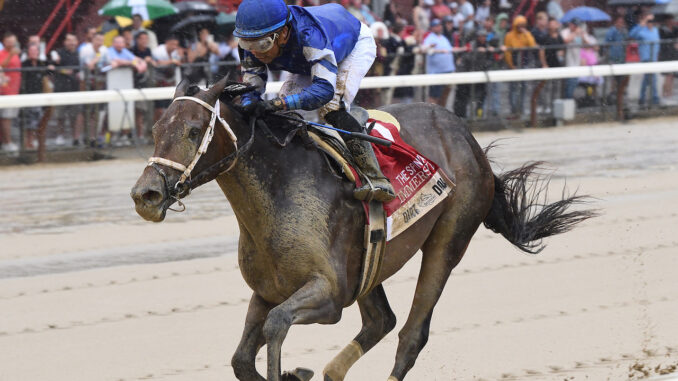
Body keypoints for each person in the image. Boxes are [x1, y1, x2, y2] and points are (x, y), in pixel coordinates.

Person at [235, 0, 395, 201]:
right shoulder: (254, 40)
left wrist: (277, 103)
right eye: (246, 44)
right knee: (281, 115)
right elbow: (252, 88)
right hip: (304, 59)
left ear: (284, 33)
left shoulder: (310, 35)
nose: (254, 52)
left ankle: (376, 178)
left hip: (351, 45)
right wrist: (249, 105)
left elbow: (324, 90)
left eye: (261, 44)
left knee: (331, 108)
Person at [51, 33, 83, 146]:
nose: (71, 42)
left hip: (75, 88)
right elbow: (52, 68)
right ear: (65, 42)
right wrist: (63, 70)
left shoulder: (79, 54)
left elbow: (81, 70)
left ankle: (76, 138)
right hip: (61, 88)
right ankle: (61, 135)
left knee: (76, 114)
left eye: (73, 40)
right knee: (60, 115)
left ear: (77, 42)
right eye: (68, 40)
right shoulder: (58, 53)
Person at [20, 44, 53, 149]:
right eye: (31, 51)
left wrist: (51, 67)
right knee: (28, 122)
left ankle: (33, 141)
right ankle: (27, 141)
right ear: (28, 53)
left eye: (35, 51)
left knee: (37, 121)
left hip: (39, 95)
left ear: (38, 52)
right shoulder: (24, 64)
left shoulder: (41, 63)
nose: (33, 53)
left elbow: (50, 70)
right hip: (27, 96)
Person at [504, 15, 538, 115]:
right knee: (513, 88)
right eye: (519, 25)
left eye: (523, 25)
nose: (521, 27)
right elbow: (508, 53)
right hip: (514, 65)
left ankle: (521, 108)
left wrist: (526, 33)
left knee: (523, 88)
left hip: (524, 64)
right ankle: (514, 109)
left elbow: (532, 45)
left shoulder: (526, 34)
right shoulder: (509, 35)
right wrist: (511, 65)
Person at [79, 32, 108, 147]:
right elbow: (88, 66)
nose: (100, 43)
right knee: (85, 111)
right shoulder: (85, 50)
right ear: (93, 40)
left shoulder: (105, 50)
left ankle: (93, 137)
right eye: (98, 40)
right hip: (85, 84)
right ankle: (82, 137)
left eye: (102, 40)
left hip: (99, 84)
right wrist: (97, 58)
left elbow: (110, 63)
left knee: (97, 112)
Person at [422, 18, 455, 106]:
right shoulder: (430, 38)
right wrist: (431, 47)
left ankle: (441, 115)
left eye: (439, 25)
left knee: (445, 94)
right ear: (432, 28)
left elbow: (449, 50)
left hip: (448, 70)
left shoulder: (444, 38)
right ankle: (432, 117)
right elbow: (423, 49)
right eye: (436, 26)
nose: (439, 27)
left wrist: (464, 49)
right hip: (436, 72)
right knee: (434, 96)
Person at [630, 14, 661, 106]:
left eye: (652, 21)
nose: (650, 23)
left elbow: (657, 44)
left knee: (648, 79)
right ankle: (654, 98)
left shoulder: (655, 30)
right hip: (646, 58)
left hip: (654, 57)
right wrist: (641, 24)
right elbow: (632, 35)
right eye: (649, 21)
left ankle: (642, 98)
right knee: (652, 79)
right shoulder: (642, 30)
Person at [152, 35, 183, 122]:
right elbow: (157, 63)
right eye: (173, 44)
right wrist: (171, 61)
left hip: (170, 83)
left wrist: (181, 56)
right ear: (167, 43)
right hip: (158, 83)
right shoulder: (158, 51)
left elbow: (180, 63)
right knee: (159, 109)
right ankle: (154, 128)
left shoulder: (175, 52)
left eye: (176, 45)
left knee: (170, 109)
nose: (174, 47)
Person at [561, 18, 595, 99]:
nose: (576, 27)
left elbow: (588, 46)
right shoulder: (565, 32)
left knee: (574, 83)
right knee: (568, 83)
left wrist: (582, 36)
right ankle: (567, 100)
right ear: (570, 24)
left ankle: (569, 100)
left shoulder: (580, 33)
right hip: (567, 62)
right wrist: (575, 33)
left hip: (576, 62)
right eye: (574, 25)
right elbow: (565, 40)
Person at [0, 32, 21, 153]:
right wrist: (10, 55)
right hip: (5, 91)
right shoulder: (2, 53)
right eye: (9, 41)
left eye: (13, 41)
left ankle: (7, 142)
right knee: (5, 118)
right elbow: (1, 66)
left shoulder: (16, 53)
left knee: (9, 118)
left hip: (14, 90)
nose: (11, 44)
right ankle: (7, 142)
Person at [605, 16, 629, 118]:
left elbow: (627, 41)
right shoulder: (612, 31)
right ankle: (615, 104)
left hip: (622, 60)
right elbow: (607, 44)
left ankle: (620, 108)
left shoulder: (624, 31)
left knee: (621, 84)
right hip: (613, 60)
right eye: (619, 22)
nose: (620, 24)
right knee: (615, 83)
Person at [658, 15, 676, 98]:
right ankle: (665, 93)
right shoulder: (661, 30)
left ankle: (670, 93)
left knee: (672, 75)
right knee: (667, 75)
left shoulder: (675, 29)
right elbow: (663, 42)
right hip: (666, 54)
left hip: (674, 54)